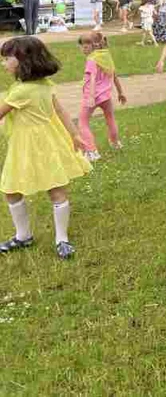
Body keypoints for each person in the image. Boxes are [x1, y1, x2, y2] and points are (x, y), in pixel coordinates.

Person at [0, 37, 90, 259]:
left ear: (23, 61)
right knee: (56, 190)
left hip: (29, 145)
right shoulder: (44, 86)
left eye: (6, 58)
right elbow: (60, 112)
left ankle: (27, 236)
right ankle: (57, 238)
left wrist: (76, 135)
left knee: (13, 190)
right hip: (47, 143)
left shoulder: (20, 92)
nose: (3, 63)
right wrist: (75, 135)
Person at [77, 32, 127, 161]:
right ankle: (115, 143)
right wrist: (120, 92)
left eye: (86, 46)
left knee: (82, 122)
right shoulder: (107, 57)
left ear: (93, 46)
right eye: (82, 46)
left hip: (92, 96)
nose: (83, 48)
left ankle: (91, 151)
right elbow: (114, 76)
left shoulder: (92, 60)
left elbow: (92, 78)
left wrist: (92, 97)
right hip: (106, 96)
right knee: (110, 118)